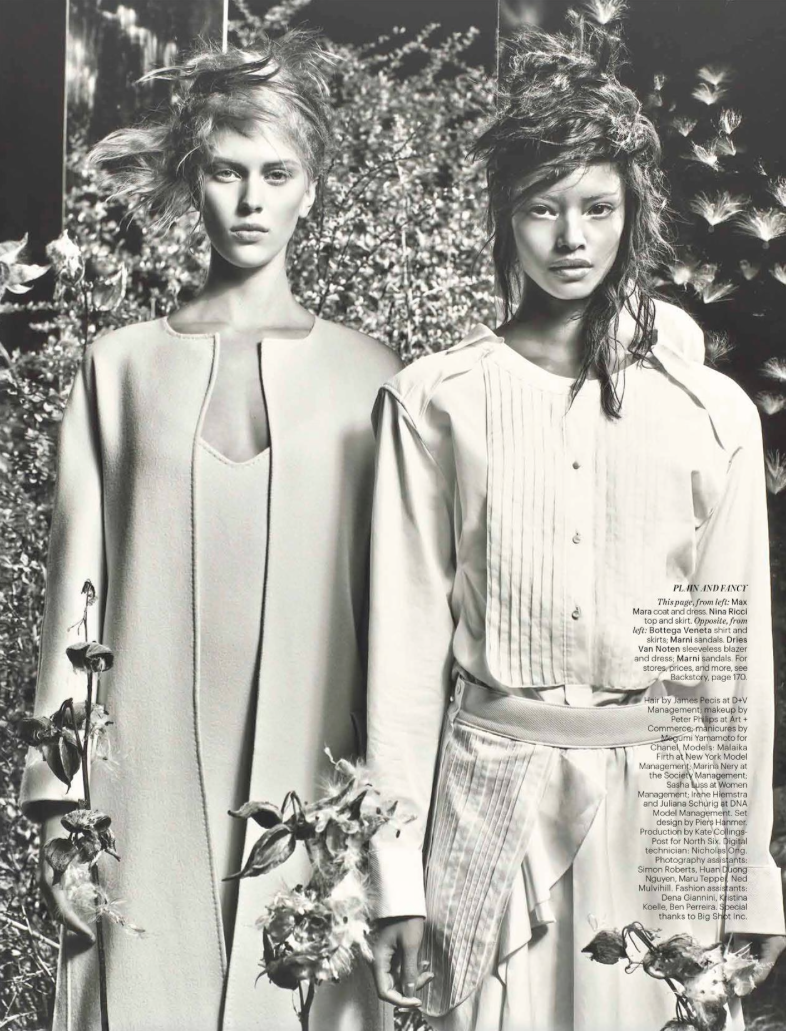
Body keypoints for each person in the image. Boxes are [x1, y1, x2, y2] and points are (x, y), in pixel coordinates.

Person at [366, 22, 786, 1031]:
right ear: (504, 216)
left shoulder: (709, 413)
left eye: (597, 207)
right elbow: (404, 659)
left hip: (663, 820)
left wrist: (746, 876)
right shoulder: (435, 401)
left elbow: (721, 671)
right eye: (541, 207)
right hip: (487, 810)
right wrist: (396, 879)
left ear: (633, 212)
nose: (571, 239)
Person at [19, 31, 400, 1031]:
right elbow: (76, 604)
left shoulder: (375, 377)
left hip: (318, 786)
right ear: (195, 180)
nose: (250, 200)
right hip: (134, 788)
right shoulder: (117, 369)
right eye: (227, 172)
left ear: (312, 189)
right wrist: (59, 813)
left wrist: (395, 828)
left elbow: (402, 623)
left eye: (277, 174)